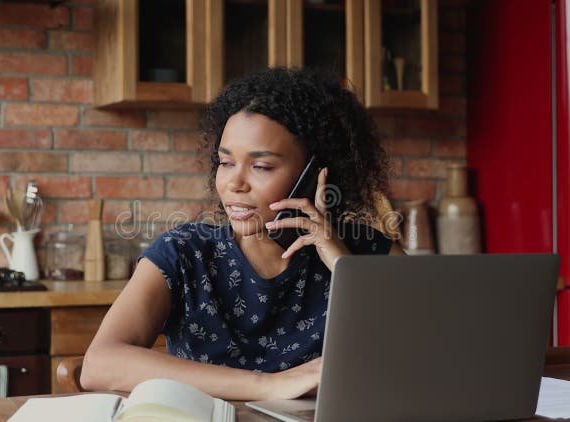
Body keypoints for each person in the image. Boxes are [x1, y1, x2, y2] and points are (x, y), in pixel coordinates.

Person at [80, 67, 404, 400]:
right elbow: (99, 365)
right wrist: (272, 384)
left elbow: (437, 346)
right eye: (225, 162)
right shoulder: (184, 254)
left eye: (261, 166)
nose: (234, 183)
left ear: (316, 174)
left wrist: (342, 266)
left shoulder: (365, 252)